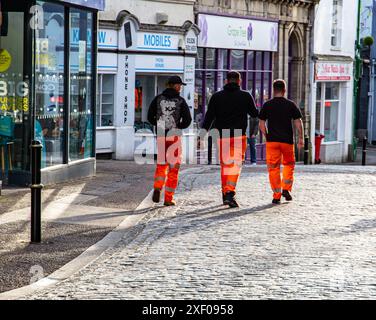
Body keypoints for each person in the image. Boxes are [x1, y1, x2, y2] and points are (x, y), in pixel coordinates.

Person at [202, 71, 258, 208]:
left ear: (226, 81)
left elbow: (209, 117)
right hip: (239, 134)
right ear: (239, 81)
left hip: (223, 135)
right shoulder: (245, 96)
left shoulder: (216, 97)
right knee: (235, 165)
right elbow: (255, 113)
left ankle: (225, 193)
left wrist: (202, 134)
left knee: (225, 165)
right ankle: (229, 192)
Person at [147, 75, 192, 206]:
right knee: (173, 167)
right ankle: (168, 198)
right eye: (180, 85)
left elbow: (149, 116)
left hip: (161, 134)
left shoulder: (157, 99)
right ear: (175, 85)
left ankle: (157, 186)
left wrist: (158, 124)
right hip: (174, 135)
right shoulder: (180, 101)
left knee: (161, 164)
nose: (181, 88)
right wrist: (179, 126)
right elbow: (188, 120)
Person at [259, 79, 304, 204]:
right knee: (289, 165)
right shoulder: (290, 104)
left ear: (274, 90)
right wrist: (301, 137)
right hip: (287, 142)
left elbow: (262, 124)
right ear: (284, 90)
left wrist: (267, 135)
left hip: (272, 141)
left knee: (273, 168)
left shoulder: (267, 105)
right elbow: (298, 122)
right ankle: (286, 188)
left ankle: (276, 195)